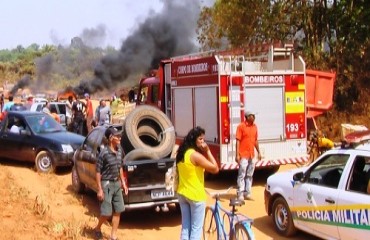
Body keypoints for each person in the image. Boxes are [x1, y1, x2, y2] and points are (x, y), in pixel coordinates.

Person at [176, 126, 219, 240]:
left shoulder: (182, 153)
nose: (202, 142)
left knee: (186, 227)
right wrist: (208, 151)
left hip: (182, 193)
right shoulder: (195, 155)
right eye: (200, 139)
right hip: (195, 196)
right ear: (193, 139)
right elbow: (215, 168)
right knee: (196, 229)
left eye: (203, 139)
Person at [94, 127, 128, 240]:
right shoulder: (104, 153)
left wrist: (123, 182)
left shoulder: (119, 151)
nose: (119, 137)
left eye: (119, 136)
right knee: (107, 213)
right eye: (117, 136)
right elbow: (98, 172)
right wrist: (99, 189)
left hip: (117, 184)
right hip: (107, 185)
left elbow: (120, 168)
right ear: (110, 138)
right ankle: (98, 228)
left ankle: (113, 236)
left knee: (118, 210)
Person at [235, 110, 262, 201]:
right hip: (243, 154)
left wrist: (259, 152)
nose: (254, 117)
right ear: (247, 117)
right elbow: (238, 141)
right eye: (252, 115)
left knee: (250, 174)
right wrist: (237, 154)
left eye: (254, 116)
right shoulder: (241, 127)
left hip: (251, 154)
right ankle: (240, 193)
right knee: (242, 174)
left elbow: (255, 140)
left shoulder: (255, 127)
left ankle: (248, 192)